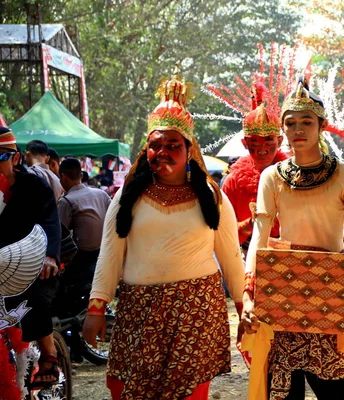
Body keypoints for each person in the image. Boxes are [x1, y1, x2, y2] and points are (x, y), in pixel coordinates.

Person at [82, 72, 245, 400]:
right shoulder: (128, 195)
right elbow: (111, 253)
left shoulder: (212, 196)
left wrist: (245, 308)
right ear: (146, 149)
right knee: (126, 390)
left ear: (189, 149)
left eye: (173, 145)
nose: (163, 152)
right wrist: (96, 307)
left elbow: (230, 256)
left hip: (196, 310)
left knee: (188, 394)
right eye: (155, 145)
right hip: (138, 309)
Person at [241, 78, 344, 400]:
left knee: (334, 389)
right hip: (281, 289)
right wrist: (249, 292)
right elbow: (259, 237)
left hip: (332, 290)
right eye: (290, 123)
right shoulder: (272, 176)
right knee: (285, 392)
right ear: (282, 129)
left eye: (306, 122)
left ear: (322, 126)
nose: (298, 129)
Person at [0, 127, 62, 387]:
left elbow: (50, 221)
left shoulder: (34, 185)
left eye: (0, 157)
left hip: (32, 261)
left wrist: (49, 257)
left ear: (15, 159)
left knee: (32, 293)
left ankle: (49, 357)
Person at [221, 82, 288, 252]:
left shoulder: (294, 177)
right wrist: (250, 224)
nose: (262, 148)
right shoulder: (233, 182)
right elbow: (222, 232)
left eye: (268, 140)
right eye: (254, 142)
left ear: (279, 142)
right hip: (245, 256)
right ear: (245, 143)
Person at [57, 158, 111, 297]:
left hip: (82, 258)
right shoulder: (102, 194)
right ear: (81, 175)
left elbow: (59, 233)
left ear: (62, 176)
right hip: (104, 253)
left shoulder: (67, 200)